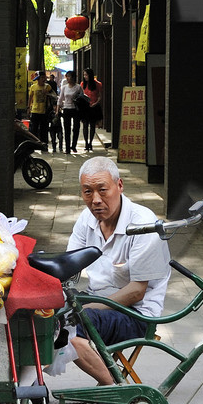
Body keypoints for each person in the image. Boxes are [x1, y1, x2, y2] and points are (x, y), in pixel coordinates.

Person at [64, 156, 171, 385]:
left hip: (136, 313)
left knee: (70, 327)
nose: (95, 200)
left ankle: (113, 389)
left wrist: (86, 306)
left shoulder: (143, 224)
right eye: (87, 192)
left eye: (103, 190)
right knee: (44, 317)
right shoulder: (87, 219)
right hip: (100, 302)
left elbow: (136, 292)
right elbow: (69, 265)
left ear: (119, 186)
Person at [57, 70, 83, 154]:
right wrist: (57, 109)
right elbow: (60, 99)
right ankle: (67, 148)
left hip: (76, 109)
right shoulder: (64, 87)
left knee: (76, 128)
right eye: (67, 76)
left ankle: (74, 146)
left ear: (74, 78)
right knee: (67, 128)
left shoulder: (78, 87)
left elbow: (82, 98)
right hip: (66, 108)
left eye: (70, 76)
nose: (69, 78)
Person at [81, 68, 105, 152]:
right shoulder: (83, 84)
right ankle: (86, 143)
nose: (85, 76)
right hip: (85, 107)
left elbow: (100, 96)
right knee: (85, 126)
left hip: (94, 107)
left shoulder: (98, 84)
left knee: (92, 126)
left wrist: (96, 103)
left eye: (86, 75)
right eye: (84, 75)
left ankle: (90, 142)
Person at [27, 71, 50, 147]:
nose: (43, 79)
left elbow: (53, 96)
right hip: (35, 110)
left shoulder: (47, 87)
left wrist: (47, 92)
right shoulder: (33, 87)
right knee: (34, 129)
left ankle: (44, 144)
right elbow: (30, 98)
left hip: (44, 111)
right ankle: (34, 144)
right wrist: (28, 108)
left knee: (44, 129)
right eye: (41, 78)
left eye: (44, 77)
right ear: (38, 79)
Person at [45, 74, 63, 153]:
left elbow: (63, 116)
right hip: (52, 127)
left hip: (59, 127)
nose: (55, 108)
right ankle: (54, 148)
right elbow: (48, 119)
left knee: (60, 137)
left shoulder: (59, 112)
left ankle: (61, 147)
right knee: (53, 138)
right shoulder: (50, 112)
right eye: (54, 106)